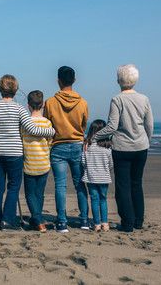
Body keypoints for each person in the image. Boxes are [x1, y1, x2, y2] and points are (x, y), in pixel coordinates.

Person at [0, 75, 55, 232]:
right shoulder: (19, 109)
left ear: (0, 89)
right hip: (14, 152)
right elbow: (32, 128)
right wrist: (50, 131)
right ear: (16, 90)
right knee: (13, 186)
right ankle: (7, 220)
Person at [93, 64, 153, 232]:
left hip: (121, 148)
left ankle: (127, 223)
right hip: (141, 147)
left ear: (119, 80)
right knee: (136, 184)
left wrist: (93, 137)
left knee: (123, 187)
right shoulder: (144, 99)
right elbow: (149, 125)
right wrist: (144, 141)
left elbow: (112, 127)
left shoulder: (117, 99)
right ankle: (138, 221)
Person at [43, 66, 89, 233]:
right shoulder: (83, 102)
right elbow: (83, 125)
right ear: (74, 80)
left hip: (58, 146)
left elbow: (47, 125)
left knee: (60, 186)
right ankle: (84, 220)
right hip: (77, 145)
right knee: (80, 184)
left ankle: (62, 222)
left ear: (58, 81)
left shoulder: (50, 102)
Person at [21, 90, 52, 232]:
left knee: (29, 194)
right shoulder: (47, 123)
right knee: (39, 193)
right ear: (43, 105)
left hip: (29, 163)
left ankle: (39, 221)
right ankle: (35, 221)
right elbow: (50, 143)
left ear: (28, 106)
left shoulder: (25, 124)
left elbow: (21, 142)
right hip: (44, 163)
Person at [82, 119, 113, 232]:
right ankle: (105, 223)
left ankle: (97, 224)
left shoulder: (87, 146)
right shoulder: (107, 146)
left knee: (94, 200)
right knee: (103, 199)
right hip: (104, 177)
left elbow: (83, 162)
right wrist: (106, 171)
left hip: (91, 177)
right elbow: (111, 164)